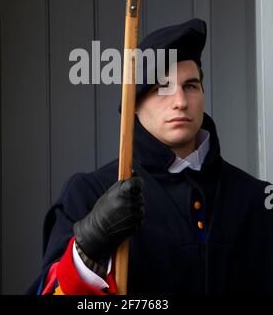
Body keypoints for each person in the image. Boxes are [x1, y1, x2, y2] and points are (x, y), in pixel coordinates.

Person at [27, 18, 273, 295]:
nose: (180, 101)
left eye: (190, 86)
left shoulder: (257, 199)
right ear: (134, 104)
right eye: (161, 88)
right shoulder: (88, 194)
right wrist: (87, 251)